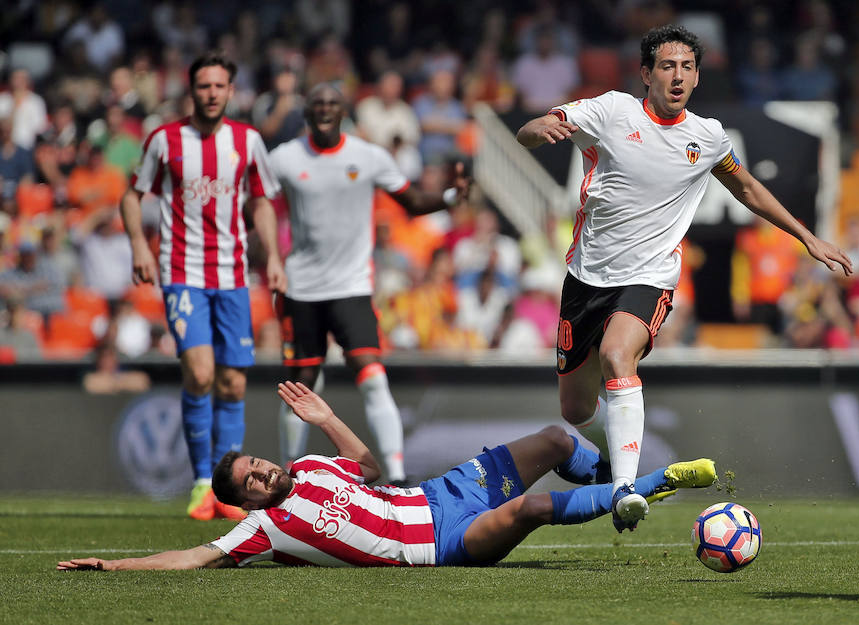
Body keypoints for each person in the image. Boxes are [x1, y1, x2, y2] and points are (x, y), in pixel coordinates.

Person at [515, 24, 852, 533]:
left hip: (650, 276)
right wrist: (538, 128)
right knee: (576, 408)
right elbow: (535, 127)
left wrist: (807, 238)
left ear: (697, 77)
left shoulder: (708, 136)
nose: (678, 76)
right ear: (646, 74)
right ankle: (612, 463)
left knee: (616, 355)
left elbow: (748, 189)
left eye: (688, 67)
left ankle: (624, 490)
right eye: (667, 66)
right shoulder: (612, 111)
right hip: (586, 278)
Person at [57, 380, 717, 571]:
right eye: (250, 481)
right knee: (531, 509)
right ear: (244, 501)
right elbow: (194, 555)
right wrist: (115, 566)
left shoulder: (311, 464)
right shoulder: (266, 528)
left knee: (554, 437)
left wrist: (327, 417)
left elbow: (368, 468)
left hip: (439, 493)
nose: (262, 475)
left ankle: (618, 478)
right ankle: (647, 487)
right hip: (438, 545)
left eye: (258, 463)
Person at [268, 83, 470, 485]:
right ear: (307, 113)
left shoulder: (368, 156)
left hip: (352, 288)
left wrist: (450, 196)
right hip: (302, 289)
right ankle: (288, 473)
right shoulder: (284, 159)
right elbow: (256, 205)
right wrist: (265, 253)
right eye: (317, 103)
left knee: (373, 375)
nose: (325, 109)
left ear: (344, 111)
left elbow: (411, 202)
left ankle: (395, 475)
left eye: (332, 103)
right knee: (301, 386)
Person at [119, 50, 287, 522]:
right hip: (182, 272)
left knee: (233, 382)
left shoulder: (248, 141)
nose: (211, 94)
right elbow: (132, 197)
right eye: (203, 86)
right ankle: (200, 482)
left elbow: (262, 204)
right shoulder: (165, 140)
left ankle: (229, 491)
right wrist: (138, 246)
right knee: (200, 373)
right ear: (191, 90)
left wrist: (273, 255)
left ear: (231, 91)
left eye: (219, 86)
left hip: (233, 276)